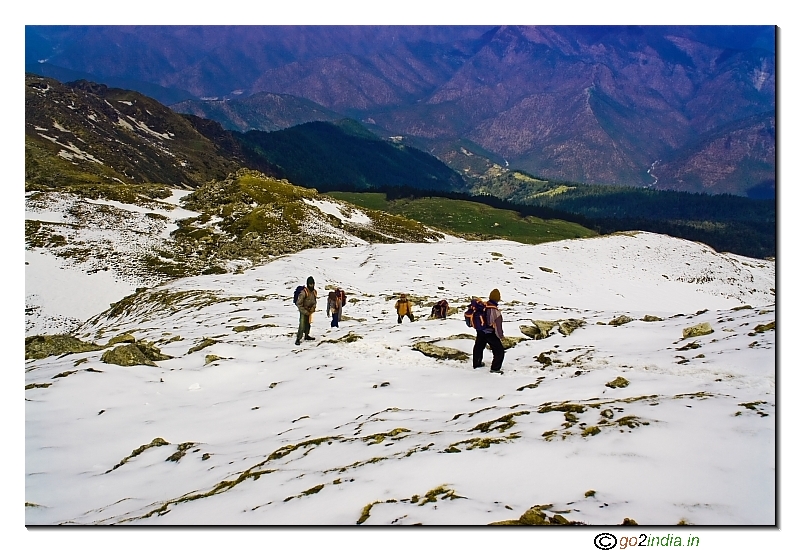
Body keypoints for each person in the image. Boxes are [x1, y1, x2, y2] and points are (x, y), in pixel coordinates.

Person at [473, 288, 505, 373]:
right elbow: (498, 328)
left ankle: (477, 363)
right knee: (499, 351)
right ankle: (495, 369)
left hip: (480, 331)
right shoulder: (496, 312)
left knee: (478, 347)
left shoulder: (483, 306)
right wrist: (501, 337)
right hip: (490, 333)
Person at [295, 276, 318, 345]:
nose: (312, 285)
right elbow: (298, 304)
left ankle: (306, 335)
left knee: (308, 324)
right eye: (310, 284)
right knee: (302, 325)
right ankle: (298, 339)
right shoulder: (303, 293)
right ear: (308, 284)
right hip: (303, 311)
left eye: (313, 284)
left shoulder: (314, 292)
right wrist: (305, 311)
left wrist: (313, 308)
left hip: (309, 311)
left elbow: (314, 302)